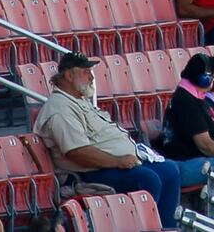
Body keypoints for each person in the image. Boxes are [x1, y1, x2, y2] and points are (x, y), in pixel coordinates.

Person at [36, 51, 188, 226]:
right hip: (87, 173)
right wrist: (117, 161)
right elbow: (77, 152)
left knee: (169, 170)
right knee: (147, 179)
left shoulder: (78, 100)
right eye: (85, 72)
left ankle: (166, 228)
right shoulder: (59, 108)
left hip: (110, 165)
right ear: (69, 75)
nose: (91, 78)